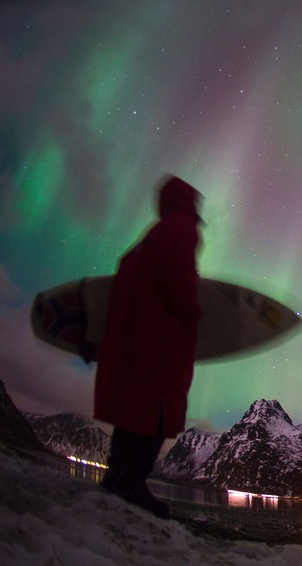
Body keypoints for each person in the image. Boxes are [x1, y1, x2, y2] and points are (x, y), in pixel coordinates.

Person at [94, 175, 203, 519]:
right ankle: (132, 482)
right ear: (188, 204)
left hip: (135, 341)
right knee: (158, 411)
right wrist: (194, 310)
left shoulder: (146, 240)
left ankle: (116, 476)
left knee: (133, 410)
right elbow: (177, 276)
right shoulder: (181, 227)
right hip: (162, 341)